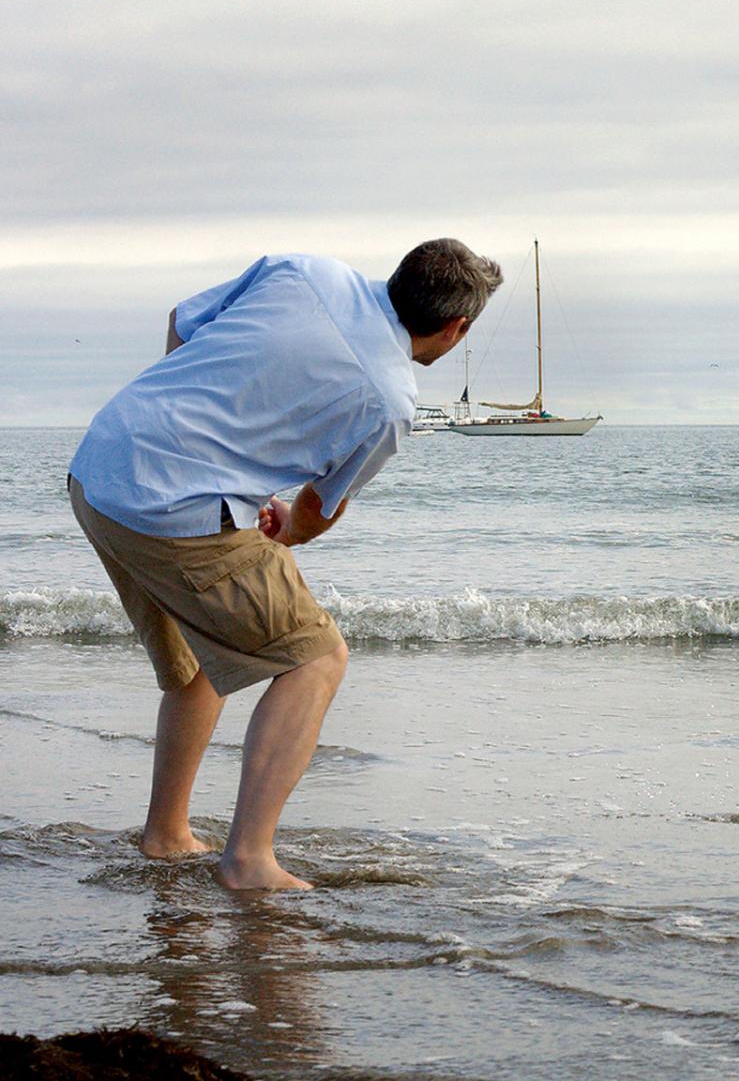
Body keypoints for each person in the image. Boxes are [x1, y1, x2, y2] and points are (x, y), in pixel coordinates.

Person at [67, 240, 502, 890]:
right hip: (172, 512)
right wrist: (288, 529)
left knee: (202, 656)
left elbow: (181, 323)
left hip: (101, 469)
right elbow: (318, 509)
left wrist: (192, 438)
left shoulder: (304, 271)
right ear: (456, 328)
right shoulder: (389, 400)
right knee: (315, 657)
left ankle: (166, 836)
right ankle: (248, 861)